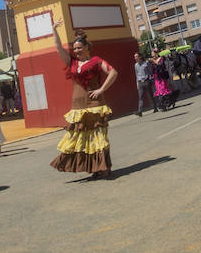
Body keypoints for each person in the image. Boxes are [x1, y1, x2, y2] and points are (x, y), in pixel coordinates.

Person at [49, 22, 117, 178]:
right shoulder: (71, 62)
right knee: (81, 138)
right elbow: (59, 48)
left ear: (87, 47)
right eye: (74, 48)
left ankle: (103, 168)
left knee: (97, 137)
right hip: (77, 106)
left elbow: (113, 72)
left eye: (79, 48)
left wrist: (101, 89)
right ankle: (94, 168)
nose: (76, 51)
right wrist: (54, 31)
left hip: (95, 104)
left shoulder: (96, 61)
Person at [133, 53, 155, 117]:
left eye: (136, 56)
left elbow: (150, 72)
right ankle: (140, 111)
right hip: (140, 83)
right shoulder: (136, 65)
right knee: (140, 97)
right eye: (134, 57)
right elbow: (137, 75)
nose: (135, 58)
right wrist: (137, 83)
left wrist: (151, 80)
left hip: (147, 81)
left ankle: (155, 107)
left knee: (151, 95)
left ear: (140, 57)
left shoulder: (146, 63)